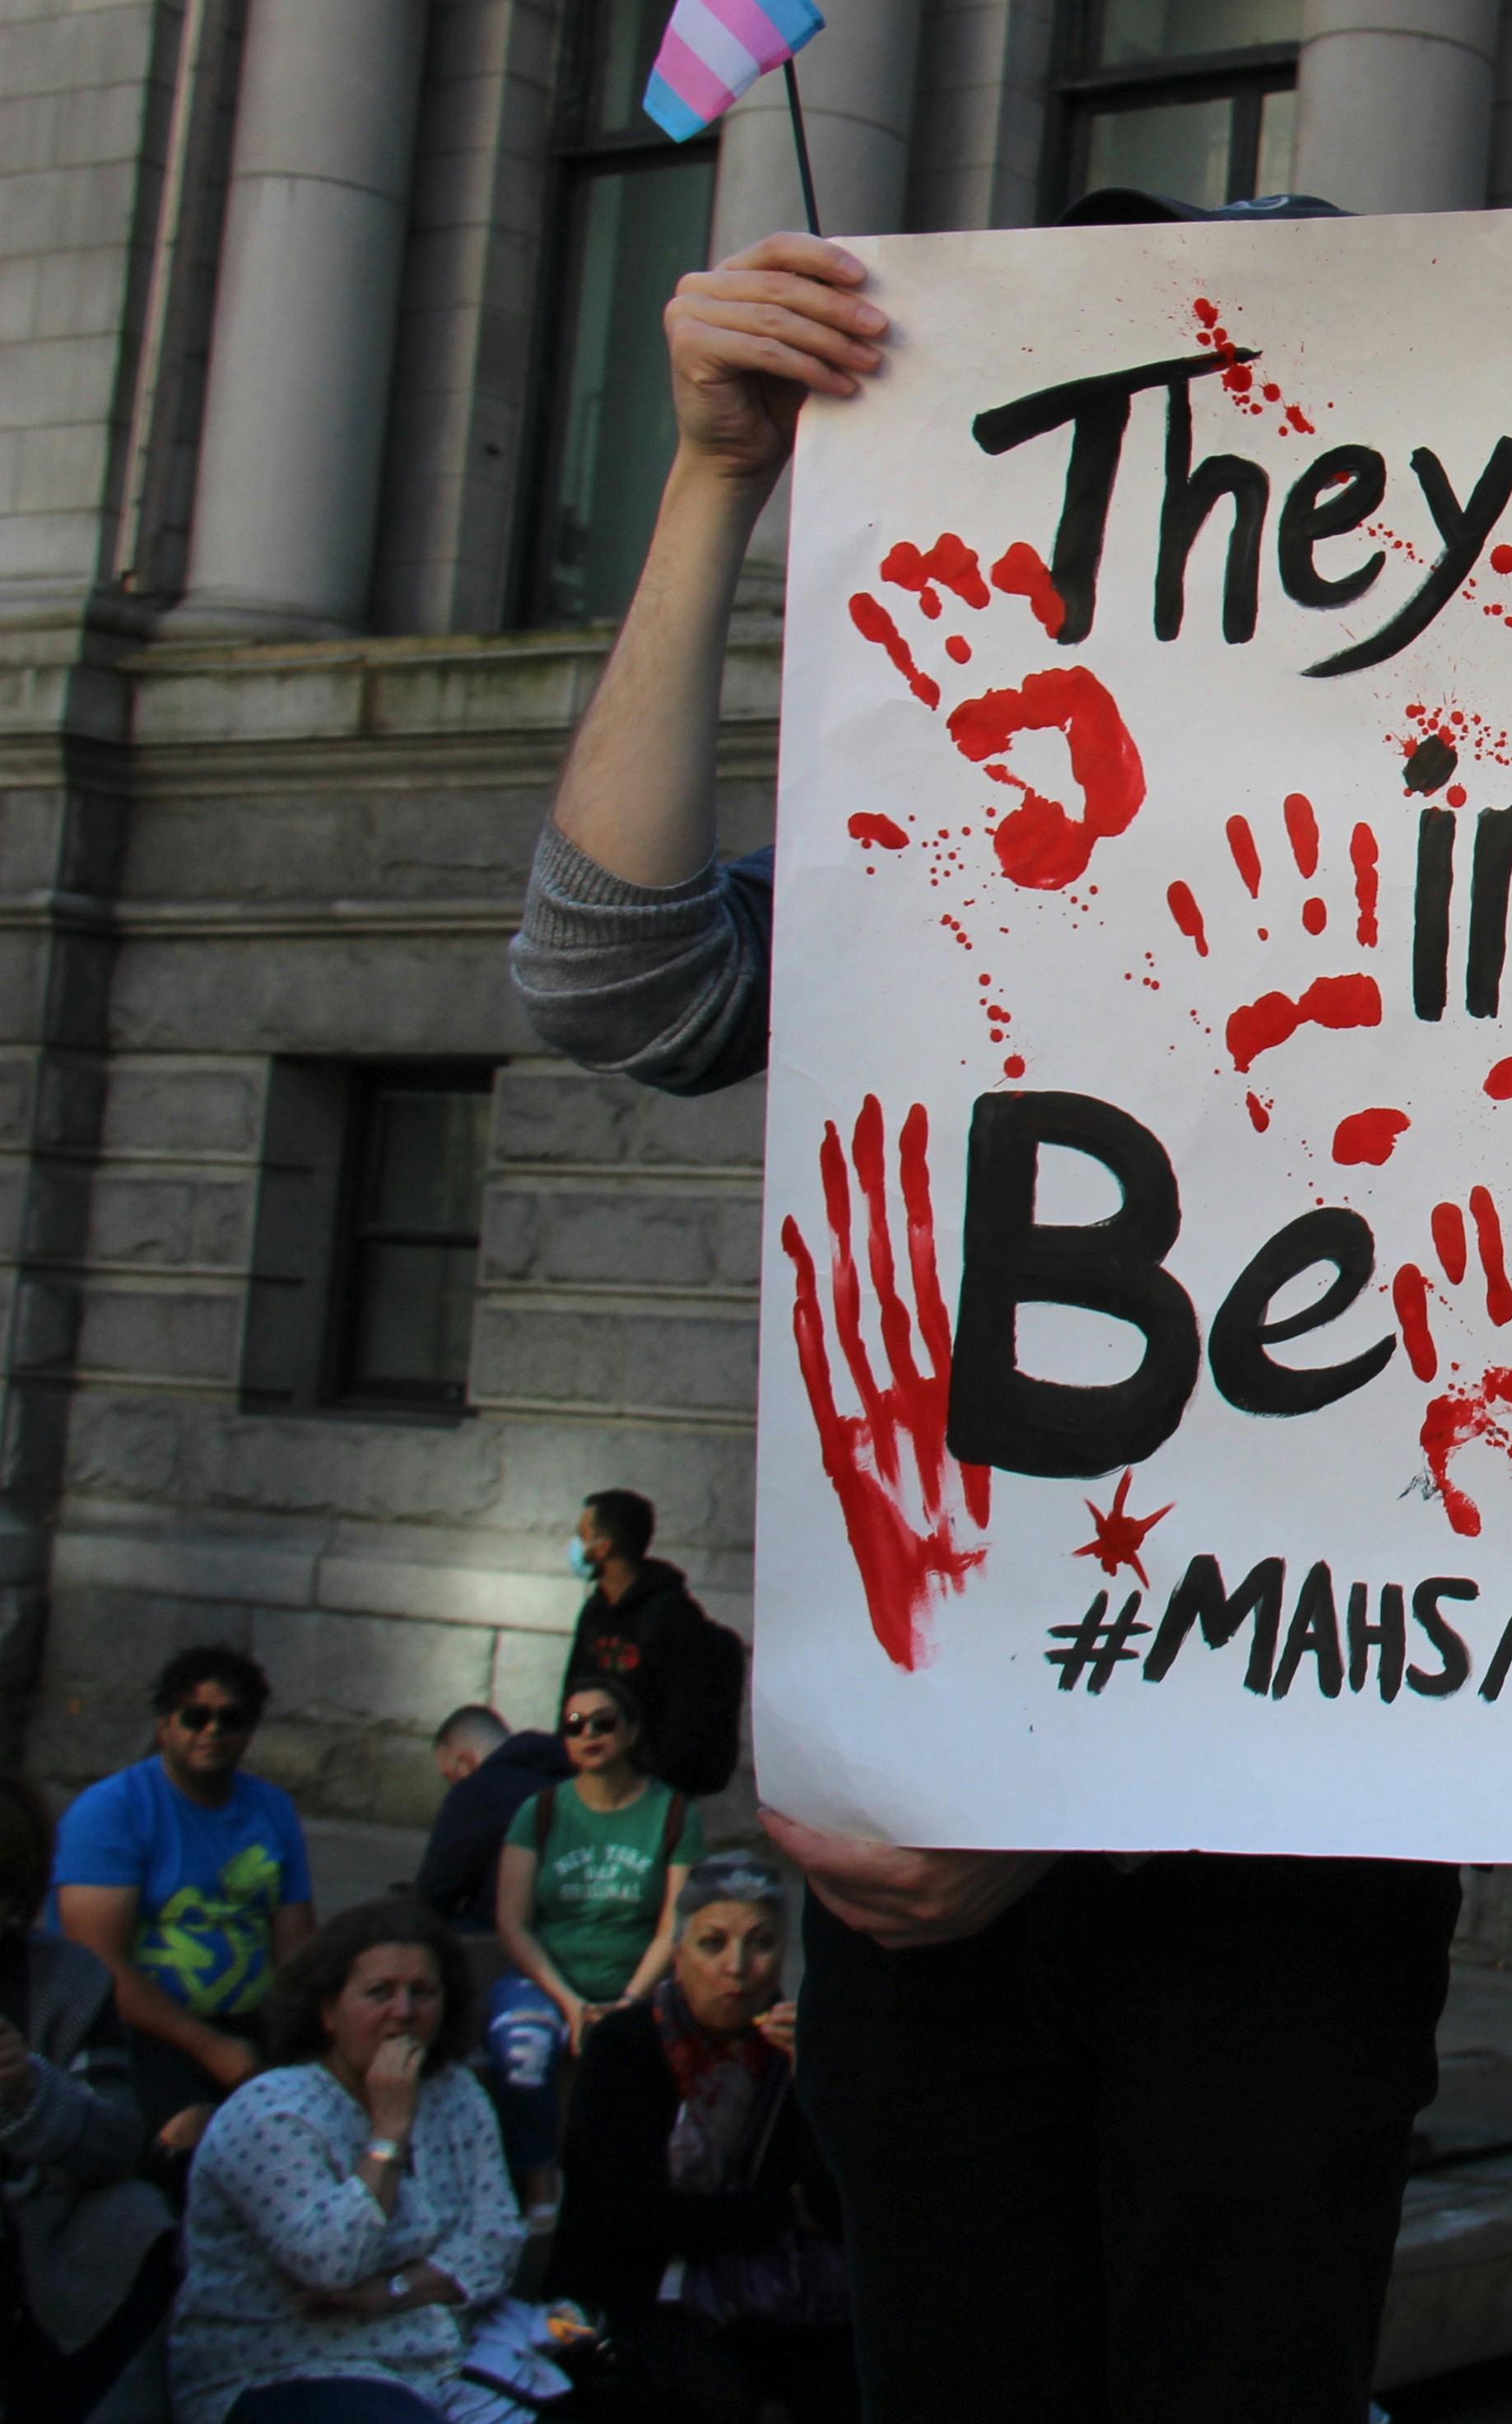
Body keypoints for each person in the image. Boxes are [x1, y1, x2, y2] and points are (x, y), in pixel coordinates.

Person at [508, 183, 1457, 2423]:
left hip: (1289, 1833)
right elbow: (603, 974)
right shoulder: (947, 840)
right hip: (934, 1850)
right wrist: (721, 472)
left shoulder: (1499, 874)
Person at [165, 1893, 528, 2424]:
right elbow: (333, 2265)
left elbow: (496, 2241)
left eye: (422, 1993)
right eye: (379, 1993)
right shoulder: (273, 2113)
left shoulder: (457, 2095)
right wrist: (389, 2130)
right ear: (329, 2011)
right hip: (287, 2372)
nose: (403, 2013)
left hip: (439, 2362)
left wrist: (392, 2291)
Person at [555, 1859, 854, 2424]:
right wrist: (775, 2210)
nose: (736, 1968)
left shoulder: (792, 2048)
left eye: (761, 1944)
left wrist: (811, 2084)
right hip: (638, 2290)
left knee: (851, 2377)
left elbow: (828, 2204)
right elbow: (635, 2217)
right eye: (713, 1944)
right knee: (712, 2398)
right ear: (679, 1953)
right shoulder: (625, 2048)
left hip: (765, 2288)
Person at [54, 1648, 318, 2142]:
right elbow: (95, 1966)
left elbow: (298, 1949)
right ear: (165, 1726)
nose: (212, 1731)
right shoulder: (111, 1812)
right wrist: (212, 2047)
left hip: (252, 2022)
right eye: (195, 1717)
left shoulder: (273, 1810)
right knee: (190, 2129)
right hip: (137, 2027)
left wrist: (306, 2042)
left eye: (231, 1719)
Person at [4, 1774, 182, 2424]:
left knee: (136, 2219)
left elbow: (117, 2139)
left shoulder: (64, 1978)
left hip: (39, 2216)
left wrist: (30, 2091)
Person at [483, 1679, 700, 2195]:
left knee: (666, 2057)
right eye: (574, 1725)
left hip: (639, 1981)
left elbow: (677, 1923)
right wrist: (570, 2002)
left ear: (631, 1733)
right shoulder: (540, 1813)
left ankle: (645, 2191)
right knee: (522, 2052)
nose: (589, 1734)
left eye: (603, 1722)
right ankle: (539, 2191)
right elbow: (513, 1922)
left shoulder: (673, 1814)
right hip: (550, 1980)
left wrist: (628, 2002)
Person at [564, 1495, 740, 1802]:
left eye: (583, 1536)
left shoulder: (672, 1616)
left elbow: (683, 1716)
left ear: (604, 1548)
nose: (576, 1546)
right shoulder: (595, 1611)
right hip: (598, 1780)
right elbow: (572, 1693)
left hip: (648, 1790)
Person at [412, 1711, 564, 1931]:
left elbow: (436, 1890)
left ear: (466, 1761)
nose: (453, 1786)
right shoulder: (571, 1778)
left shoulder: (478, 1791)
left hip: (502, 1936)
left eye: (451, 1777)